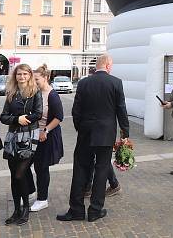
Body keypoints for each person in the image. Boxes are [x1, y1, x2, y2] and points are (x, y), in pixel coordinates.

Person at [57, 54, 129, 223]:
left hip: (85, 133)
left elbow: (76, 110)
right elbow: (121, 110)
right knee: (102, 169)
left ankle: (76, 209)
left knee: (80, 168)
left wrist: (80, 128)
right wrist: (125, 133)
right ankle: (95, 210)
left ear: (97, 66)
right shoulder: (116, 82)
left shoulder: (83, 83)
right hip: (106, 133)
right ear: (108, 65)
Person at [0, 64, 43, 226]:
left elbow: (38, 113)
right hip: (13, 136)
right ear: (15, 76)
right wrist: (16, 119)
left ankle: (25, 208)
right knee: (13, 175)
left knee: (20, 174)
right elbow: (3, 116)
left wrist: (25, 119)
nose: (22, 77)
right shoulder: (11, 93)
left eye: (25, 74)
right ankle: (17, 209)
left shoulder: (35, 92)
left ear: (30, 75)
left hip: (29, 136)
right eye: (19, 74)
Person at [30, 65, 64, 212]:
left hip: (46, 137)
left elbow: (59, 117)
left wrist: (46, 130)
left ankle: (42, 199)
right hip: (33, 135)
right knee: (27, 166)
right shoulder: (35, 93)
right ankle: (32, 191)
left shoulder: (52, 95)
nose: (34, 81)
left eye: (36, 79)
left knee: (41, 168)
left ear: (45, 78)